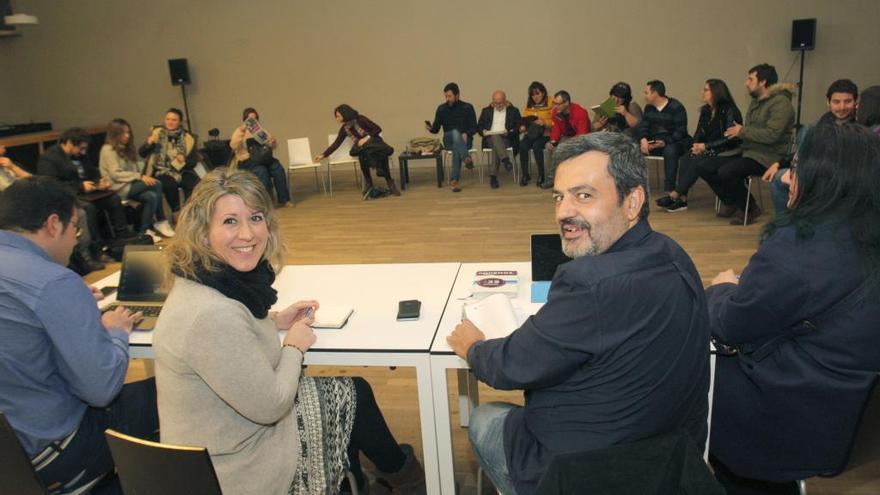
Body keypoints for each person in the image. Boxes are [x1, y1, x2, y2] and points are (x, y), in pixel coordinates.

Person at [448, 133, 710, 494]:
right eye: (559, 196)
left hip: (586, 472)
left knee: (483, 417)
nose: (563, 212)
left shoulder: (589, 282)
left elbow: (511, 366)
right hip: (669, 462)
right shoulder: (673, 253)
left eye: (584, 196)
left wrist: (474, 347)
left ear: (632, 202)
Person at [153, 169, 424, 495]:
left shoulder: (203, 281)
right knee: (351, 396)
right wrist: (293, 346)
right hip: (236, 469)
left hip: (222, 438)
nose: (247, 233)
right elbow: (272, 405)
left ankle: (380, 477)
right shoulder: (211, 315)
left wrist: (273, 321)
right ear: (202, 231)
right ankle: (403, 478)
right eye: (229, 221)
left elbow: (232, 339)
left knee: (351, 394)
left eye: (255, 217)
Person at [706, 124, 880, 495]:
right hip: (845, 412)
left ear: (825, 179)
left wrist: (721, 288)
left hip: (782, 416)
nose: (786, 177)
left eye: (797, 167)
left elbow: (732, 323)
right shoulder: (862, 233)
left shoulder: (800, 253)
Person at [0, 176, 157, 495]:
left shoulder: (40, 282)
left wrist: (73, 304)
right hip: (54, 453)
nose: (76, 240)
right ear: (53, 224)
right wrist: (116, 332)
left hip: (10, 454)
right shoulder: (54, 282)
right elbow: (101, 389)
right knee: (171, 391)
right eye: (76, 227)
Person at [702, 64, 794, 225]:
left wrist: (742, 131)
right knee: (704, 165)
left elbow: (772, 135)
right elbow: (748, 130)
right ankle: (733, 201)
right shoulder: (756, 101)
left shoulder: (781, 104)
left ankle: (750, 208)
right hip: (749, 151)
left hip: (768, 156)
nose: (746, 83)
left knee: (727, 172)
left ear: (763, 82)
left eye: (750, 79)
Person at [37, 127, 130, 271]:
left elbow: (92, 171)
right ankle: (94, 251)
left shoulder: (80, 156)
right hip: (67, 195)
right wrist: (80, 186)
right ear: (68, 143)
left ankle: (121, 240)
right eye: (80, 148)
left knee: (113, 199)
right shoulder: (49, 158)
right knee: (88, 209)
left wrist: (100, 181)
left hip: (87, 192)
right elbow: (52, 184)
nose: (83, 152)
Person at [764, 79, 858, 216]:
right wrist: (779, 163)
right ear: (828, 103)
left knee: (807, 131)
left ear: (856, 101)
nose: (842, 107)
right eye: (836, 102)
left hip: (842, 175)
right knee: (778, 178)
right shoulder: (825, 121)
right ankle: (785, 224)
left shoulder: (860, 127)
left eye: (847, 101)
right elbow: (806, 149)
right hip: (817, 169)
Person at [657, 79, 743, 212]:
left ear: (716, 92)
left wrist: (706, 146)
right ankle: (682, 199)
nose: (702, 92)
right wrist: (696, 146)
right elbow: (698, 132)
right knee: (687, 157)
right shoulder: (706, 111)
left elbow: (730, 138)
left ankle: (675, 194)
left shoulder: (730, 110)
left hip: (725, 150)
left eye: (706, 90)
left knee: (697, 161)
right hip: (707, 147)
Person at [100, 118, 175, 242]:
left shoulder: (126, 148)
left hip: (130, 184)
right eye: (123, 133)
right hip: (117, 188)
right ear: (115, 134)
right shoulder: (107, 149)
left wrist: (140, 174)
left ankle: (143, 232)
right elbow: (115, 174)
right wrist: (140, 177)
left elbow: (134, 169)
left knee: (151, 196)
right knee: (157, 184)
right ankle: (161, 220)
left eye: (128, 132)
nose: (127, 136)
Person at [315, 104, 400, 198]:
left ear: (345, 114)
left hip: (374, 142)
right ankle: (384, 172)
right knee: (358, 152)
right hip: (368, 148)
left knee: (364, 154)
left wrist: (366, 138)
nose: (336, 118)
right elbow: (336, 143)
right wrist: (323, 155)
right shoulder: (344, 129)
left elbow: (377, 128)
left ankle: (370, 184)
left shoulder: (361, 119)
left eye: (338, 116)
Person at [138, 108, 200, 215]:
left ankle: (190, 212)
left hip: (182, 170)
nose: (170, 122)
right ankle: (176, 213)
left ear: (180, 122)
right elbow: (142, 153)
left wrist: (184, 160)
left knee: (195, 183)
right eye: (168, 119)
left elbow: (193, 161)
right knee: (169, 185)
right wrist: (149, 144)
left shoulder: (188, 137)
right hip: (161, 171)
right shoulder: (156, 134)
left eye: (174, 120)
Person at [636, 80, 691, 193]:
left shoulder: (676, 107)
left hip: (674, 142)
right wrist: (643, 140)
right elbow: (644, 127)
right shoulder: (649, 108)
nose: (644, 96)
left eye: (646, 92)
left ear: (655, 93)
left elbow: (680, 132)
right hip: (655, 143)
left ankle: (669, 188)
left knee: (670, 150)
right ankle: (634, 185)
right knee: (631, 148)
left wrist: (664, 142)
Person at [230, 107, 291, 206]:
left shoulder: (260, 131)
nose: (253, 121)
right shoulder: (240, 131)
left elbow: (271, 146)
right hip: (247, 161)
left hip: (262, 158)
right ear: (245, 119)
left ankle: (284, 199)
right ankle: (266, 203)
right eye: (250, 119)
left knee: (277, 168)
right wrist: (242, 130)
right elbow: (233, 145)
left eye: (255, 118)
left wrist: (272, 142)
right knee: (261, 171)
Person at [426, 82, 478, 192]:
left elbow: (474, 128)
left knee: (456, 147)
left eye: (449, 96)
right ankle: (466, 158)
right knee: (455, 133)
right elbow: (436, 129)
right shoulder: (441, 109)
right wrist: (430, 128)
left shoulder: (468, 107)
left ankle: (454, 181)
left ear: (457, 95)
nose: (447, 99)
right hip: (448, 139)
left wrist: (466, 134)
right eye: (446, 96)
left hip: (465, 140)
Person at [539, 90, 591, 189]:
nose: (555, 106)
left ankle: (558, 179)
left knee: (560, 149)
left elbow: (582, 134)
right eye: (554, 103)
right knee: (550, 148)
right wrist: (553, 140)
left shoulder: (580, 112)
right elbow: (556, 128)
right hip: (566, 137)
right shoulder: (555, 112)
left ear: (567, 103)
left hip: (582, 139)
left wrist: (567, 143)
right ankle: (552, 178)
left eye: (558, 104)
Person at [477, 90, 522, 189]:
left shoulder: (513, 111)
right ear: (492, 102)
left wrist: (509, 132)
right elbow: (479, 126)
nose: (498, 105)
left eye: (501, 102)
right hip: (489, 138)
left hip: (506, 138)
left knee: (496, 144)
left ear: (505, 101)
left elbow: (518, 127)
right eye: (496, 103)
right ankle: (505, 160)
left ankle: (493, 177)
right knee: (494, 136)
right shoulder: (486, 111)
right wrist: (483, 131)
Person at [518, 81, 553, 187]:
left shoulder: (551, 103)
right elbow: (524, 121)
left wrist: (544, 122)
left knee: (537, 146)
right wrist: (522, 127)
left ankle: (541, 175)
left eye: (537, 93)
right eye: (532, 94)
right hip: (532, 133)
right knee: (522, 145)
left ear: (543, 93)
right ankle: (525, 175)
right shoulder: (529, 107)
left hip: (546, 134)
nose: (535, 97)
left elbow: (557, 122)